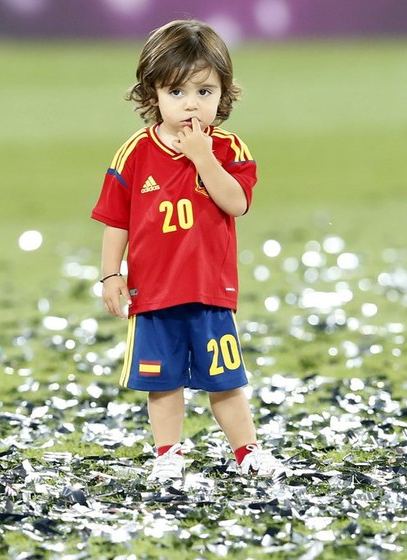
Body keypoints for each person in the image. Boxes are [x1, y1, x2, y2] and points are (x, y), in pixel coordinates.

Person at [91, 19, 282, 483]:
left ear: (224, 95)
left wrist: (203, 157)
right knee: (163, 383)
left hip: (211, 291)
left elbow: (236, 202)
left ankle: (248, 452)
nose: (191, 104)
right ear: (152, 95)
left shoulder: (229, 148)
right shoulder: (134, 153)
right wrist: (110, 275)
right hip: (154, 293)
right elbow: (117, 219)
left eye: (204, 91)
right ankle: (169, 454)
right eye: (176, 92)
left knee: (226, 381)